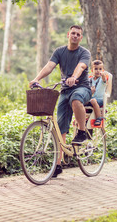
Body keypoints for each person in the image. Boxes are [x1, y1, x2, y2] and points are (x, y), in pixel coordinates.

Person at [29, 25, 92, 178]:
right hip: (65, 90)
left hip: (82, 87)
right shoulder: (59, 52)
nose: (75, 36)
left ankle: (82, 132)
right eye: (73, 33)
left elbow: (81, 66)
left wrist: (74, 77)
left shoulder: (84, 52)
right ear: (68, 34)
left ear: (81, 37)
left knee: (76, 99)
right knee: (59, 127)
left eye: (78, 34)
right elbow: (49, 66)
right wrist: (37, 79)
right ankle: (57, 165)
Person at [87, 60, 108, 126]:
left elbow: (104, 80)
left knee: (93, 100)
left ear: (103, 70)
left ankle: (99, 118)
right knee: (81, 100)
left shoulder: (102, 79)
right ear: (92, 70)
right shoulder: (90, 80)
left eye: (100, 69)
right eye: (96, 69)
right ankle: (83, 118)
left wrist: (103, 75)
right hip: (92, 99)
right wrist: (90, 90)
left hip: (100, 100)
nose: (98, 71)